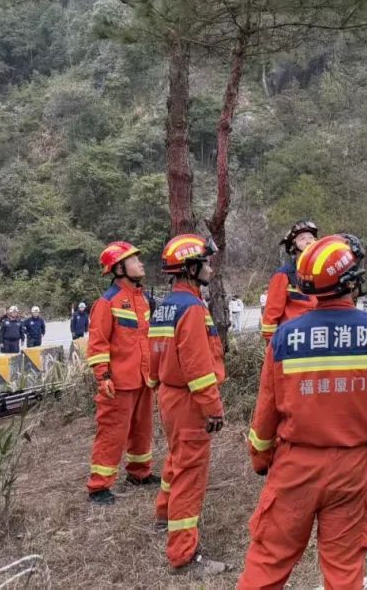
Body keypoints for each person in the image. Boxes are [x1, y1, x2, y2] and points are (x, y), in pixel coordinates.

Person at [239, 233, 367, 590]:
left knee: (269, 559)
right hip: (352, 469)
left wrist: (260, 458)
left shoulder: (286, 337)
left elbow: (266, 411)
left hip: (294, 467)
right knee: (344, 569)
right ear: (352, 281)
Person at [149, 234, 228, 576]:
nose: (210, 267)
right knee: (190, 473)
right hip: (189, 399)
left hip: (168, 394)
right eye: (205, 262)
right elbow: (199, 368)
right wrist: (213, 409)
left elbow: (152, 358)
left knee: (176, 457)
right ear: (192, 268)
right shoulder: (193, 308)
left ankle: (164, 515)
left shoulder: (166, 305)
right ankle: (184, 554)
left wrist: (158, 386)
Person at [86, 241, 157, 505]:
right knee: (112, 432)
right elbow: (98, 343)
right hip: (118, 382)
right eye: (134, 260)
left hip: (143, 378)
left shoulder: (142, 299)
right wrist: (103, 376)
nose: (140, 263)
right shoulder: (107, 302)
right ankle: (98, 486)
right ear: (118, 268)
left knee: (142, 428)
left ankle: (139, 473)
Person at [261, 220, 319, 343]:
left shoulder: (323, 273)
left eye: (311, 237)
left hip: (318, 339)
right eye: (302, 238)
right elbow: (270, 316)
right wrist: (273, 347)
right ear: (293, 245)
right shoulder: (284, 275)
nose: (308, 241)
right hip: (293, 341)